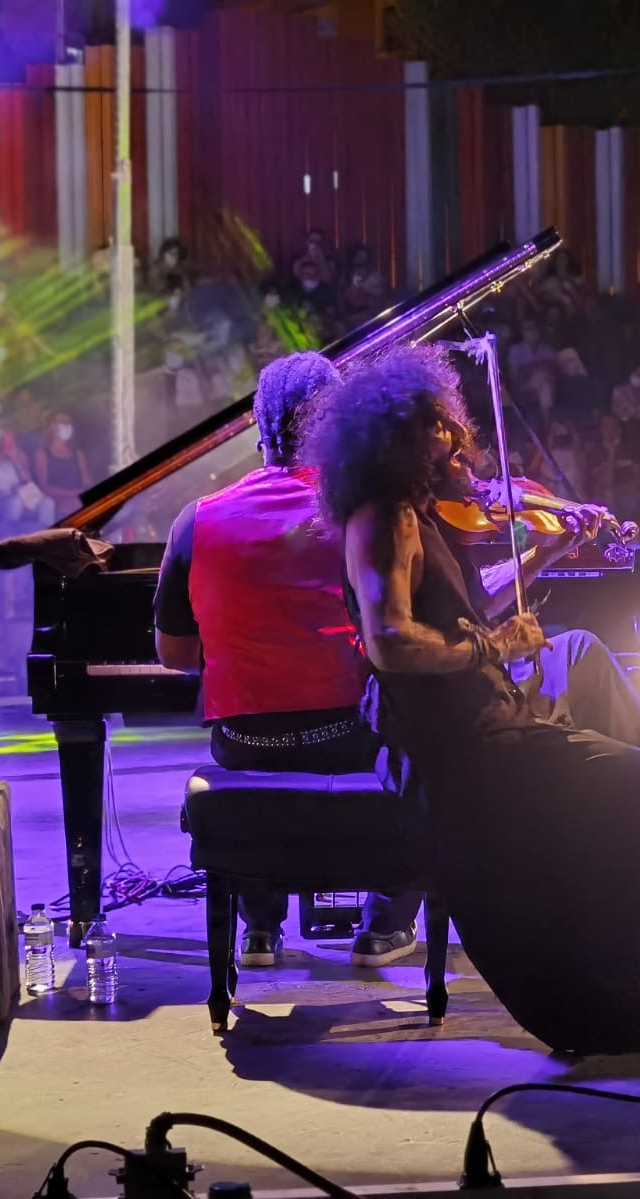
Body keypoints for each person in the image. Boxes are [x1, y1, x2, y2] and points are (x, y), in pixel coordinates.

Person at [312, 341, 640, 1055]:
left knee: (636, 783)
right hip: (457, 741)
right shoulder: (384, 519)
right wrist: (491, 648)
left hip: (485, 719)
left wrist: (545, 555)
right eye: (437, 425)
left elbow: (468, 605)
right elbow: (391, 641)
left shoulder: (420, 515)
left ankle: (613, 972)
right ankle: (609, 977)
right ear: (398, 435)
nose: (456, 437)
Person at [153, 352, 412, 970]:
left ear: (259, 426)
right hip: (347, 738)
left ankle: (261, 927)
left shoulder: (196, 520)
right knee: (426, 752)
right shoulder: (364, 513)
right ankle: (383, 926)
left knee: (246, 754)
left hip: (245, 742)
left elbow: (176, 654)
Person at [0, 415, 51, 522]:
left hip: (20, 492)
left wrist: (16, 459)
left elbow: (27, 479)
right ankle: (10, 535)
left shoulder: (18, 453)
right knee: (15, 502)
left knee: (47, 503)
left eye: (0, 427)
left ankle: (50, 534)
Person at [33, 411, 92, 519]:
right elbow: (44, 487)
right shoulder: (43, 454)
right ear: (52, 427)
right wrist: (70, 494)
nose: (68, 427)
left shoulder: (78, 454)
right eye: (63, 422)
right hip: (56, 500)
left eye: (69, 423)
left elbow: (86, 481)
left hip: (77, 498)